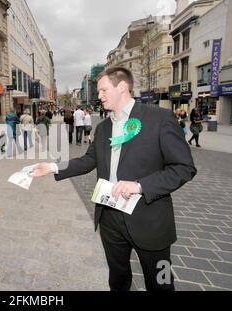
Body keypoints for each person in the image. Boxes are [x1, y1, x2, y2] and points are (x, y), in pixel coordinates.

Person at [32, 67, 196, 291]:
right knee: (118, 280)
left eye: (103, 90)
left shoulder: (159, 118)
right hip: (110, 217)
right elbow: (88, 161)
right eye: (98, 91)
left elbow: (184, 167)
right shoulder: (103, 127)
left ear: (122, 87)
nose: (99, 96)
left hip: (149, 219)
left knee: (162, 283)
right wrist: (52, 166)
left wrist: (140, 186)